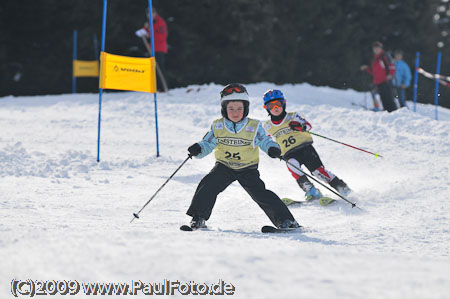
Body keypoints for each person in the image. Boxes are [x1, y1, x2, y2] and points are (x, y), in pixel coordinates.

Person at [186, 83, 299, 229]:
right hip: (224, 166)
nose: (235, 112)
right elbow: (207, 144)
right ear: (224, 109)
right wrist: (198, 149)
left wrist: (272, 149)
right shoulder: (218, 126)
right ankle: (198, 218)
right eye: (231, 109)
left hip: (247, 168)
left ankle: (286, 221)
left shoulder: (253, 126)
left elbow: (265, 140)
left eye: (240, 108)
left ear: (245, 109)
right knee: (208, 185)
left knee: (261, 194)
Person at [262, 89, 351, 204]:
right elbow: (265, 140)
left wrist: (300, 126)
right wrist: (273, 150)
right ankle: (312, 192)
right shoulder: (268, 126)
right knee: (293, 166)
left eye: (278, 104)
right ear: (266, 108)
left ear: (284, 103)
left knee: (318, 172)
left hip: (305, 149)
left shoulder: (293, 116)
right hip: (288, 153)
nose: (275, 108)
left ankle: (342, 188)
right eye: (271, 105)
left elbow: (308, 126)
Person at [135, 7, 168, 91]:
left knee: (159, 68)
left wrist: (148, 33)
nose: (150, 15)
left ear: (155, 13)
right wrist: (144, 30)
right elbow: (145, 31)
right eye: (148, 14)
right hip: (152, 48)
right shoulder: (149, 23)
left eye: (152, 13)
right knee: (154, 68)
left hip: (159, 48)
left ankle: (163, 87)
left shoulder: (160, 22)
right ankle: (157, 87)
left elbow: (162, 36)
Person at [360, 41, 398, 112]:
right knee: (383, 98)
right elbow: (373, 71)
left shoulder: (385, 56)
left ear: (381, 48)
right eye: (375, 48)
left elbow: (392, 66)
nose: (376, 50)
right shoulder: (375, 59)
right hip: (378, 82)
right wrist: (366, 68)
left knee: (389, 97)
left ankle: (393, 111)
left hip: (385, 80)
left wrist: (390, 74)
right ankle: (387, 111)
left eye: (378, 48)